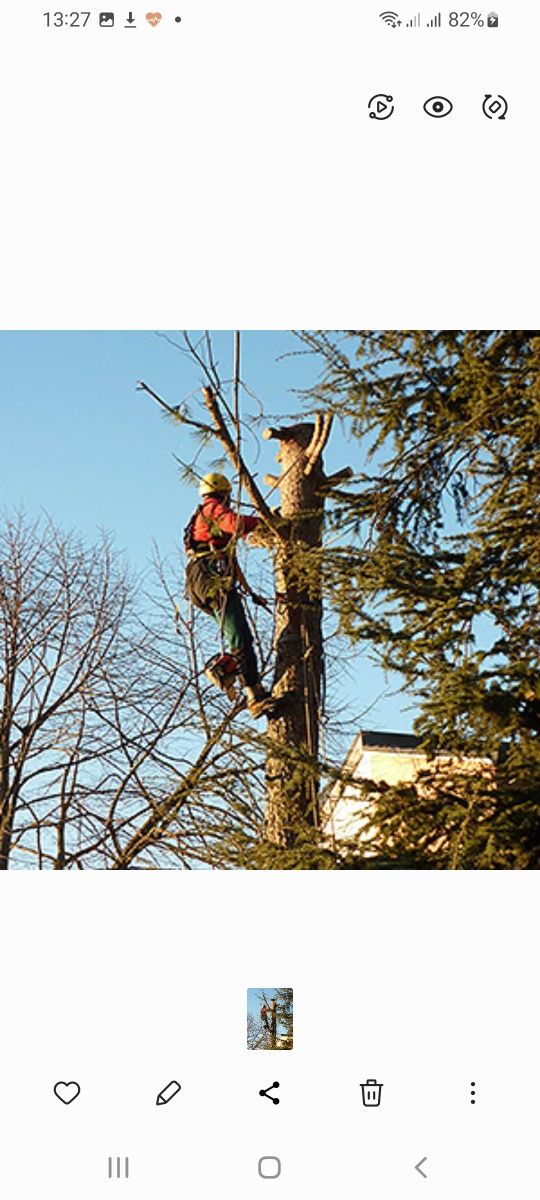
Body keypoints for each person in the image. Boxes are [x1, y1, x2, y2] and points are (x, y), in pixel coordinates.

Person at [184, 473, 275, 717]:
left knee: (234, 631)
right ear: (224, 493)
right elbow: (235, 524)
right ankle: (253, 692)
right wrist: (266, 522)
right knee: (240, 636)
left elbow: (230, 559)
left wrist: (248, 591)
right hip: (212, 577)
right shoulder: (213, 510)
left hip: (200, 582)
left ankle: (234, 672)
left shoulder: (200, 518)